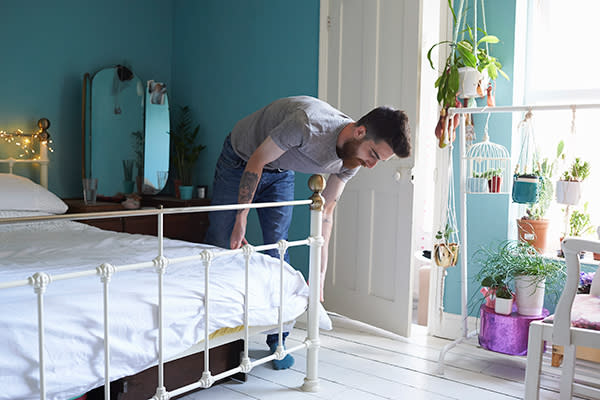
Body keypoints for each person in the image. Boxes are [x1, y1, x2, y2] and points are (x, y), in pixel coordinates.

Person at [205, 95, 411, 369]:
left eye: (379, 161)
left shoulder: (352, 161)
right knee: (222, 241)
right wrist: (241, 216)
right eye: (373, 155)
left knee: (277, 249)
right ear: (360, 132)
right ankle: (214, 337)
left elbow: (325, 215)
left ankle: (277, 340)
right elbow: (257, 160)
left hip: (281, 169)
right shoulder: (308, 125)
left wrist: (320, 277)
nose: (371, 165)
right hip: (241, 158)